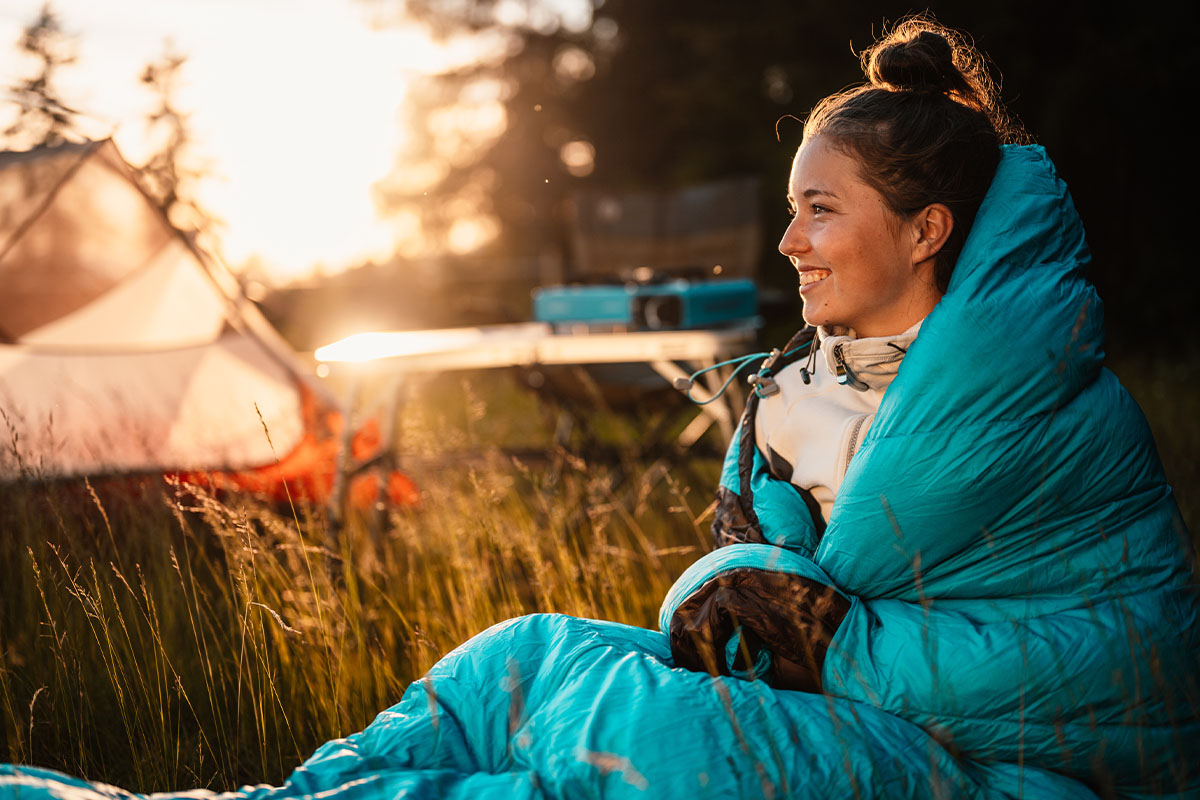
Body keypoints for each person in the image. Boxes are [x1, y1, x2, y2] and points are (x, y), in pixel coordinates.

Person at [3, 16, 1197, 800]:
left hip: (999, 763)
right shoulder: (798, 392)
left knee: (636, 732)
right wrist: (722, 598)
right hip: (854, 715)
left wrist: (835, 641)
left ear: (927, 229)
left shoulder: (1043, 406)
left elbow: (1124, 662)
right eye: (792, 206)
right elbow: (747, 582)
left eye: (821, 209)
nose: (787, 240)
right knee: (521, 657)